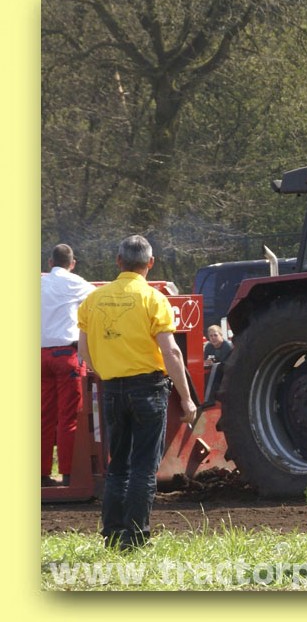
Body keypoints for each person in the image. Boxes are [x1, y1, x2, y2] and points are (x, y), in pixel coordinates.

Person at [78, 235, 197, 550]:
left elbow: (83, 350)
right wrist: (186, 398)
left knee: (117, 465)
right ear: (151, 263)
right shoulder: (154, 299)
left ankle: (113, 535)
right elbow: (171, 352)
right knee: (144, 467)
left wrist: (106, 371)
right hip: (148, 389)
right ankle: (136, 537)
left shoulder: (93, 300)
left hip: (112, 389)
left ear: (118, 261)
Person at [41, 244, 96, 487]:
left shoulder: (39, 283)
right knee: (69, 417)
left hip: (39, 356)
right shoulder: (77, 283)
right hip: (66, 356)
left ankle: (41, 475)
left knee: (43, 416)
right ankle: (69, 474)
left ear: (50, 263)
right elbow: (98, 298)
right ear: (72, 264)